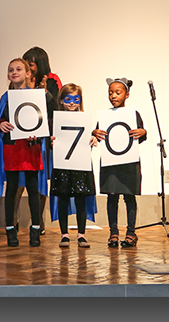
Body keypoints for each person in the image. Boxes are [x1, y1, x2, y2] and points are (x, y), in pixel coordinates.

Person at [0, 58, 54, 247]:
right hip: (12, 148)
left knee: (33, 189)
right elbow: (0, 119)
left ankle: (35, 230)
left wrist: (37, 134)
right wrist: (1, 124)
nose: (14, 72)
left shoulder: (36, 95)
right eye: (11, 70)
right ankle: (10, 230)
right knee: (11, 189)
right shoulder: (6, 97)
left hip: (30, 148)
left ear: (28, 74)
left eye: (18, 69)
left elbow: (42, 120)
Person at [91, 78, 147, 248]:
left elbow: (141, 135)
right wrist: (95, 132)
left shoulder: (133, 114)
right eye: (110, 92)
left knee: (129, 197)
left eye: (118, 92)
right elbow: (98, 135)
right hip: (110, 162)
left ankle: (131, 232)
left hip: (128, 161)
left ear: (126, 94)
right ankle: (113, 232)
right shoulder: (105, 115)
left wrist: (142, 132)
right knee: (111, 196)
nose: (113, 96)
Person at [16, 47, 62, 235]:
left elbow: (57, 107)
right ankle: (14, 219)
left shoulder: (52, 81)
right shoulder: (19, 80)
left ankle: (39, 221)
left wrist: (45, 93)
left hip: (43, 137)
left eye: (31, 64)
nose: (27, 67)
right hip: (21, 136)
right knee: (18, 180)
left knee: (42, 180)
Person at [48, 83, 96, 248]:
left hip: (80, 164)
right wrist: (51, 141)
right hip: (63, 164)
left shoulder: (85, 118)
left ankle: (81, 234)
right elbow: (49, 141)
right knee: (63, 198)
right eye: (68, 99)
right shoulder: (55, 120)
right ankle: (64, 234)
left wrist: (93, 138)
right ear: (61, 101)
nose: (72, 103)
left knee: (81, 199)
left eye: (76, 99)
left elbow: (89, 137)